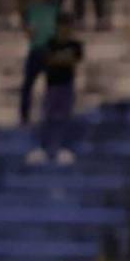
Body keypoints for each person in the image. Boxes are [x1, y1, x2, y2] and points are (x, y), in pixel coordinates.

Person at [28, 12, 82, 166]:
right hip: (51, 86)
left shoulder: (75, 45)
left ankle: (63, 148)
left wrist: (60, 58)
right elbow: (49, 60)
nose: (65, 29)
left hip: (67, 86)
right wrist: (62, 58)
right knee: (47, 118)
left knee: (64, 118)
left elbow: (72, 60)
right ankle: (43, 148)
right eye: (62, 25)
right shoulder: (50, 43)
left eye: (67, 26)